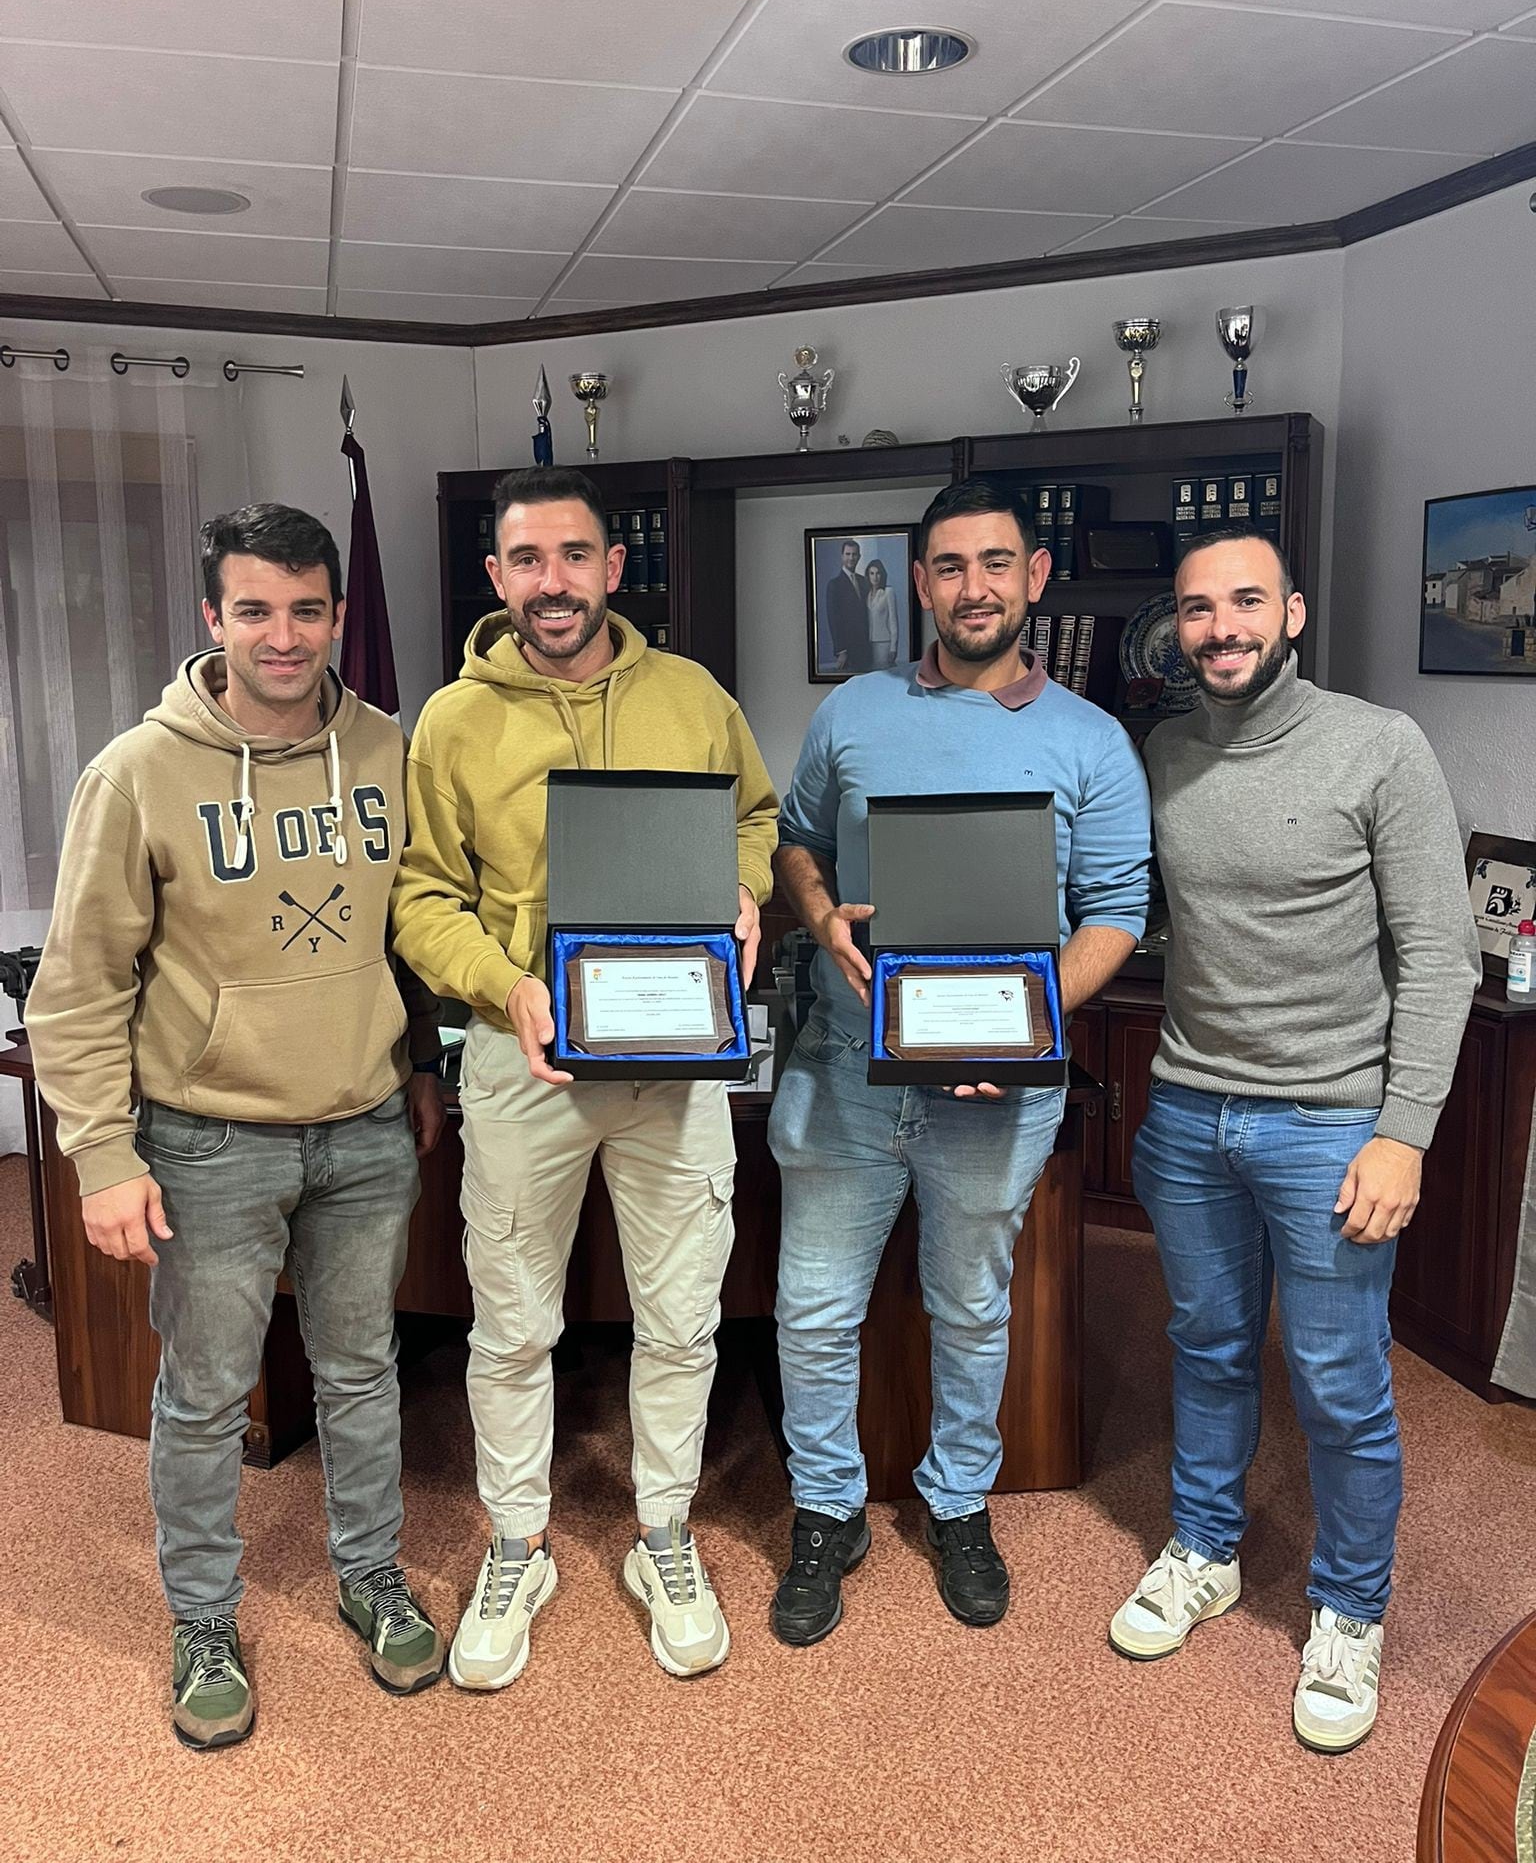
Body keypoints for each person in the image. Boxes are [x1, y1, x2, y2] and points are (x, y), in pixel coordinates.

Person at [26, 504, 447, 1752]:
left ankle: (370, 1571)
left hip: (364, 1127)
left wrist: (419, 1061)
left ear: (338, 615)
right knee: (208, 1393)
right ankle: (203, 1617)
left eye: (308, 609)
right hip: (209, 1139)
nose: (284, 635)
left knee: (362, 1369)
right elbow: (78, 986)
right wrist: (101, 1154)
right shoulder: (137, 772)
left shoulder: (385, 745)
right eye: (255, 609)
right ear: (212, 615)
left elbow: (407, 924)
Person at [391, 466, 778, 1689]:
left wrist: (745, 886)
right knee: (511, 1321)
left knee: (683, 1313)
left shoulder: (694, 696)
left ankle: (663, 1532)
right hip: (526, 1058)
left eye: (573, 555)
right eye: (526, 559)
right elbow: (422, 897)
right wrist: (507, 986)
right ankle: (518, 1543)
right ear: (497, 575)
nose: (551, 581)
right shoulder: (452, 722)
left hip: (675, 1060)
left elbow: (756, 819)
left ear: (614, 568)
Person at [1108, 527, 1480, 1754]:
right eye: (1198, 607)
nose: (1222, 626)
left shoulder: (1381, 746)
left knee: (1338, 1380)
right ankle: (1206, 1548)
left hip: (1330, 1123)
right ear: (1176, 625)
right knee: (1208, 1347)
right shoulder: (1165, 752)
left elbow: (1442, 957)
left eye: (1246, 601)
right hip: (1188, 1113)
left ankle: (1350, 1608)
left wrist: (1404, 1133)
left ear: (1294, 613)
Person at [768, 478, 1151, 1645]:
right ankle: (826, 1509)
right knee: (814, 1308)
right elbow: (797, 843)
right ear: (920, 584)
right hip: (845, 1074)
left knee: (972, 1306)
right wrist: (821, 915)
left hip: (997, 1091)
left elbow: (1117, 909)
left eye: (994, 563)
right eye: (948, 566)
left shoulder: (1092, 739)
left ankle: (958, 1501)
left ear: (1035, 576)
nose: (973, 587)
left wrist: (1022, 1024)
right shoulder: (853, 712)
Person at [825, 537, 871, 674]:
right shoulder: (834, 585)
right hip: (848, 651)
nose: (851, 558)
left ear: (859, 557)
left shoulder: (864, 581)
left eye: (854, 554)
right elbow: (833, 619)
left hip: (866, 648)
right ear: (842, 556)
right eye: (848, 554)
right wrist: (841, 650)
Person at [864, 556, 899, 669]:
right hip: (870, 643)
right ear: (868, 575)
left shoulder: (888, 592)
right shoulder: (867, 594)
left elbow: (893, 621)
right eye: (872, 573)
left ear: (882, 575)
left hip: (884, 642)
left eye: (878, 573)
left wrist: (893, 647)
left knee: (884, 671)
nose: (875, 577)